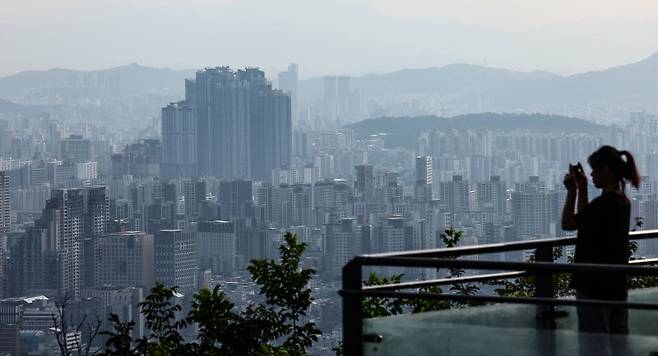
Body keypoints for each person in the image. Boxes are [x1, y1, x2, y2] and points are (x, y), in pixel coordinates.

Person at [561, 145, 640, 355]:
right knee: (619, 345)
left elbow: (569, 223)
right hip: (615, 286)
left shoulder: (605, 204)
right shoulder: (622, 202)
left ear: (606, 170)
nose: (592, 174)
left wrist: (572, 192)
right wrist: (583, 188)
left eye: (595, 169)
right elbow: (587, 219)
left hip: (594, 286)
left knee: (594, 347)